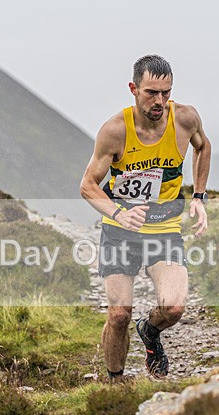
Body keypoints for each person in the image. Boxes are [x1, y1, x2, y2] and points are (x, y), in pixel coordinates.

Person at [80, 54, 211, 380]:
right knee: (119, 314)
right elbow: (87, 186)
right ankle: (115, 383)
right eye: (151, 92)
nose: (160, 101)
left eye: (166, 92)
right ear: (133, 89)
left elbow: (203, 147)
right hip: (120, 230)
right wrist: (119, 213)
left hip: (164, 227)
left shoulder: (185, 119)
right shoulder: (114, 131)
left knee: (174, 309)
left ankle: (150, 331)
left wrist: (198, 197)